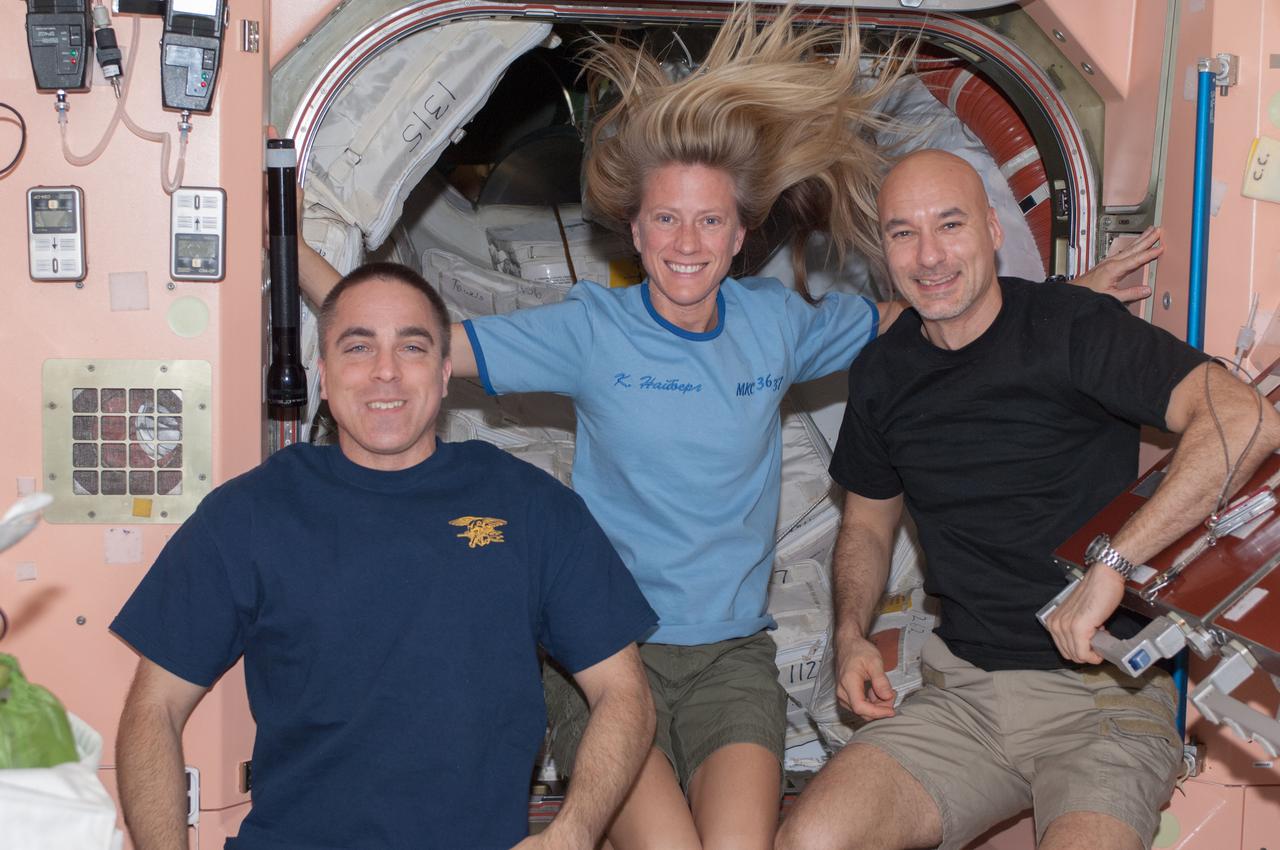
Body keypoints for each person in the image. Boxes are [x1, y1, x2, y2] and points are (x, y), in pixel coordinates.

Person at [295, 11, 1163, 849]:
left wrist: (1067, 300)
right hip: (603, 654)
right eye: (665, 219)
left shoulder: (776, 322)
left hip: (730, 658)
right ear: (634, 228)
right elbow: (419, 348)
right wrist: (288, 238)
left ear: (740, 234)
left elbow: (925, 307)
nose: (685, 241)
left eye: (709, 220)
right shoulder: (590, 328)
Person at [774, 149, 1280, 850]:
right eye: (903, 233)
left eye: (949, 225)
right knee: (813, 839)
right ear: (882, 248)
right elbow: (865, 520)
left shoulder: (1071, 326)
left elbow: (1245, 418)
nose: (929, 256)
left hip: (1104, 702)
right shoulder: (883, 372)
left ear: (990, 227)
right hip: (963, 695)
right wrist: (850, 634)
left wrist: (1113, 563)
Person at [112, 263, 658, 850]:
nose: (386, 372)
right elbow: (154, 709)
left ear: (446, 373)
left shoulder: (530, 507)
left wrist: (571, 835)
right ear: (324, 374)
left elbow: (625, 694)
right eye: (358, 346)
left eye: (413, 346)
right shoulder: (250, 514)